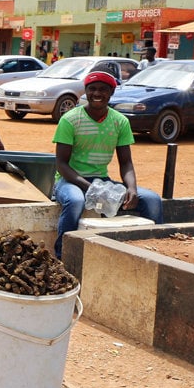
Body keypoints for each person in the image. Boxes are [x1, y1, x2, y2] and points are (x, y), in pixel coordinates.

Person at [52, 71, 163, 257]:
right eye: (92, 89)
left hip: (101, 180)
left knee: (152, 199)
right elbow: (61, 164)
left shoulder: (120, 121)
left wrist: (132, 188)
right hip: (69, 180)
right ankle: (62, 255)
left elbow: (126, 163)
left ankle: (154, 252)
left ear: (111, 92)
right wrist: (89, 187)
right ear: (85, 92)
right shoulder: (70, 120)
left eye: (103, 89)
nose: (97, 94)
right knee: (76, 201)